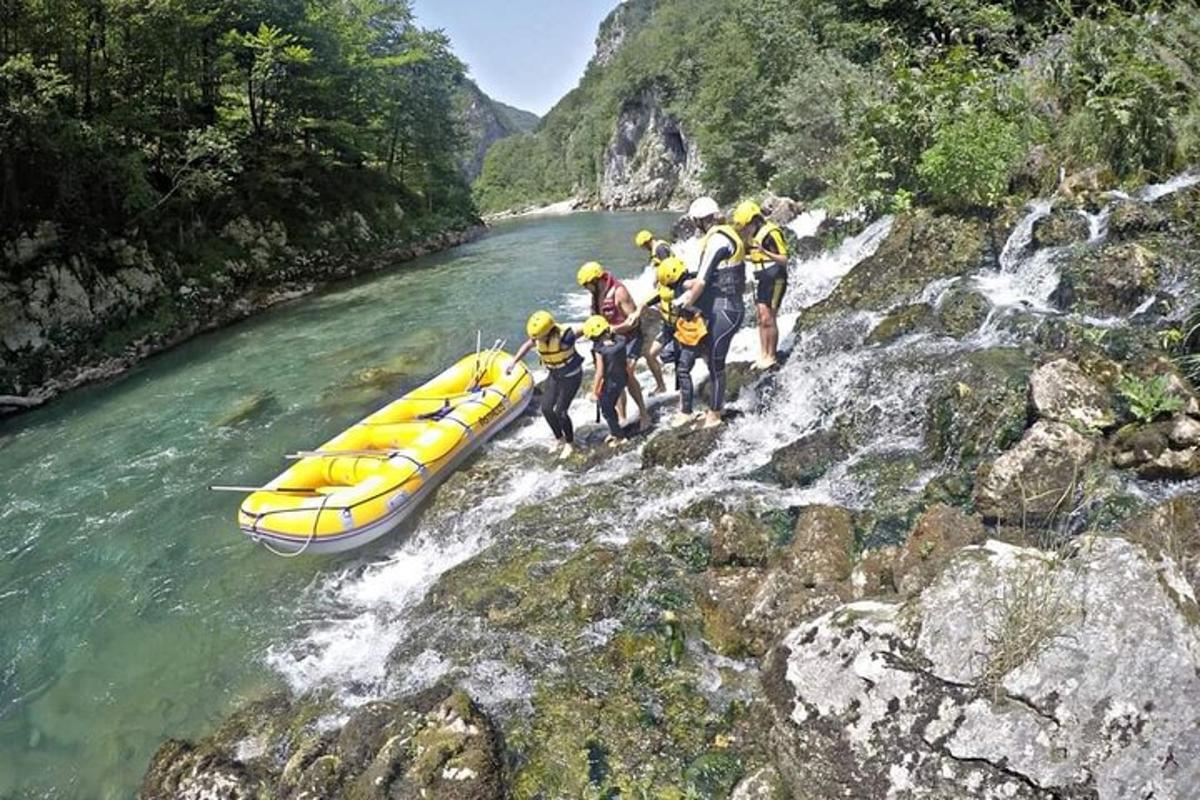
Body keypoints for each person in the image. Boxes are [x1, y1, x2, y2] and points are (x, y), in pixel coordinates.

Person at [673, 196, 746, 428]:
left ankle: (715, 414)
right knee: (710, 357)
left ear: (700, 221)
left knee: (715, 363)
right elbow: (712, 276)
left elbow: (702, 281)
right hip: (727, 307)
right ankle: (716, 406)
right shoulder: (727, 233)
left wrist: (685, 304)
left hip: (723, 310)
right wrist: (686, 289)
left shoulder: (716, 241)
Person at [577, 261, 651, 430]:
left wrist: (613, 329)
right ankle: (622, 416)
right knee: (612, 377)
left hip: (630, 337)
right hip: (612, 340)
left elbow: (633, 321)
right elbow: (594, 319)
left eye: (587, 285)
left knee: (627, 374)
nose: (586, 289)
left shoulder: (619, 292)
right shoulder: (596, 295)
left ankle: (644, 414)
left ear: (596, 281)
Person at [508, 311, 584, 459]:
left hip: (571, 376)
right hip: (555, 375)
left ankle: (570, 443)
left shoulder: (566, 336)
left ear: (548, 331)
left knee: (561, 411)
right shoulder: (538, 337)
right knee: (547, 408)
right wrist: (514, 361)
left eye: (538, 336)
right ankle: (559, 438)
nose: (535, 340)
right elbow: (527, 344)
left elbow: (586, 327)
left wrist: (606, 335)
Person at [651, 256, 709, 428]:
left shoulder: (685, 284)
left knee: (683, 370)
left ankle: (687, 411)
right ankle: (690, 406)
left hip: (694, 333)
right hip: (689, 333)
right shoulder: (683, 282)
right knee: (697, 365)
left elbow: (696, 284)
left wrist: (688, 297)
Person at [734, 200, 789, 370]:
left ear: (755, 220)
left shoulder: (770, 233)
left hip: (776, 279)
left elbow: (784, 259)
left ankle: (771, 355)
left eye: (746, 226)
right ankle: (763, 354)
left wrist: (765, 251)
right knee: (760, 318)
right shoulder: (753, 237)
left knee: (769, 318)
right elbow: (755, 256)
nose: (745, 231)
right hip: (762, 280)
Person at [582, 315, 630, 447]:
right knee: (612, 404)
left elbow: (599, 372)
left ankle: (619, 437)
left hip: (610, 383)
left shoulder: (600, 350)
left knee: (607, 410)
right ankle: (615, 431)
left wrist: (595, 391)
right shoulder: (621, 340)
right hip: (622, 378)